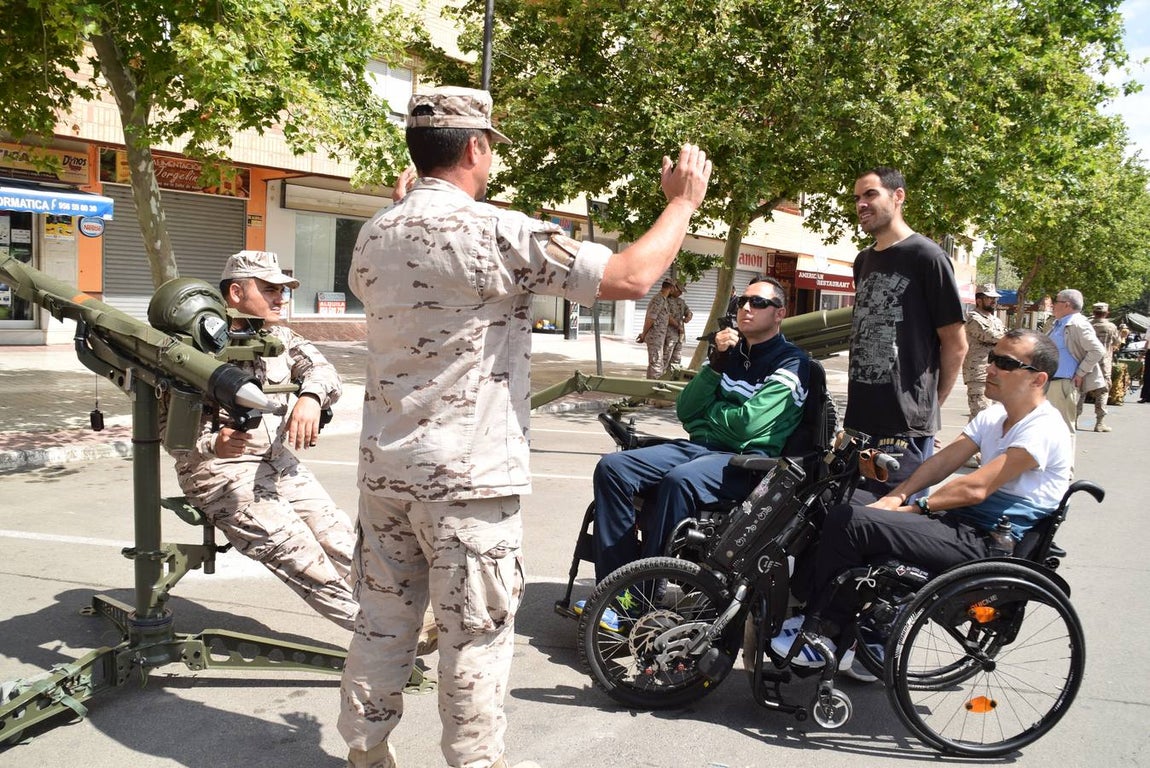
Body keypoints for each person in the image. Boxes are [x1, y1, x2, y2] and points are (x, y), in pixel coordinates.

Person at [340, 85, 712, 768]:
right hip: (468, 482)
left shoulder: (375, 234)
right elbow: (631, 277)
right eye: (490, 151)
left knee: (382, 621)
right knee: (474, 637)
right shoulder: (499, 231)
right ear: (476, 147)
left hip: (386, 472)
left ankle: (366, 754)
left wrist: (408, 210)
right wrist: (683, 201)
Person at [776, 329, 1070, 671]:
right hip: (961, 526)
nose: (990, 368)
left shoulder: (1043, 428)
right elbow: (943, 461)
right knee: (842, 505)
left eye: (1005, 363)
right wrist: (897, 495)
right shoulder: (995, 416)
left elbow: (976, 488)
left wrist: (915, 506)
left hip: (989, 544)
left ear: (1039, 379)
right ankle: (864, 626)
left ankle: (826, 632)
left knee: (852, 522)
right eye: (992, 358)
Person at [167, 250, 357, 630]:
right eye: (270, 289)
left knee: (343, 542)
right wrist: (212, 444)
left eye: (283, 290)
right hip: (219, 473)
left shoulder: (278, 337)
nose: (280, 298)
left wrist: (311, 397)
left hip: (277, 461)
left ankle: (396, 619)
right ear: (236, 293)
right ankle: (387, 638)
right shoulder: (190, 348)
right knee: (300, 553)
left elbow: (322, 368)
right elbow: (167, 433)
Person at [587, 276, 808, 594]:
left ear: (779, 313)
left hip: (746, 462)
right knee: (613, 467)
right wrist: (715, 365)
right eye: (742, 302)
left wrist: (711, 415)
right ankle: (615, 589)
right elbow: (688, 410)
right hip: (704, 448)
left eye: (758, 303)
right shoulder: (728, 352)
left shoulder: (792, 362)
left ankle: (643, 594)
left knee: (680, 480)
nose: (746, 308)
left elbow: (748, 426)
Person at [844, 167, 968, 500]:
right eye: (857, 197)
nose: (861, 204)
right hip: (860, 421)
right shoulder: (863, 260)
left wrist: (928, 407)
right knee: (850, 521)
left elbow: (956, 345)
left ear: (898, 196)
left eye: (870, 194)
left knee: (891, 524)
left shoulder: (927, 257)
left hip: (904, 426)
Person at [1045, 289, 1107, 447]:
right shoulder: (1059, 323)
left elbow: (1097, 350)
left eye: (1055, 301)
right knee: (1049, 429)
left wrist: (1080, 373)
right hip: (1051, 383)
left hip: (1063, 384)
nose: (1052, 305)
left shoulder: (1078, 324)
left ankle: (1065, 471)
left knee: (1064, 430)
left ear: (1066, 305)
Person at [963, 283, 1006, 420]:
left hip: (996, 372)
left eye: (995, 299)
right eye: (990, 298)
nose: (994, 301)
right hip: (978, 373)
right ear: (979, 300)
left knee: (995, 418)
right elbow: (992, 336)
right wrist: (1010, 339)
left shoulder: (996, 320)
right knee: (980, 417)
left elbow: (1005, 338)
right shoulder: (972, 318)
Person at [1080, 301, 1119, 431]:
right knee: (1102, 391)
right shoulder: (1111, 327)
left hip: (1086, 361)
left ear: (1093, 312)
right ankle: (1100, 423)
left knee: (1080, 389)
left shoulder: (1087, 325)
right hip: (1104, 362)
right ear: (1107, 313)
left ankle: (1074, 419)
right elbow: (1117, 342)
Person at [637, 280, 675, 378]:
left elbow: (666, 317)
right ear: (671, 288)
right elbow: (650, 319)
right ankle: (654, 390)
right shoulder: (658, 299)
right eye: (674, 288)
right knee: (656, 365)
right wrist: (643, 334)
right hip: (655, 336)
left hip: (659, 337)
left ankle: (650, 387)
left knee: (656, 364)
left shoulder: (664, 300)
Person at [663, 281, 694, 369]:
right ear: (674, 288)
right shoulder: (665, 301)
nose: (680, 293)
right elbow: (666, 317)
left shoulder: (681, 302)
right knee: (665, 359)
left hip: (679, 336)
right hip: (668, 335)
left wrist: (688, 316)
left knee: (676, 360)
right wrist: (677, 326)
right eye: (679, 290)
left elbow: (689, 312)